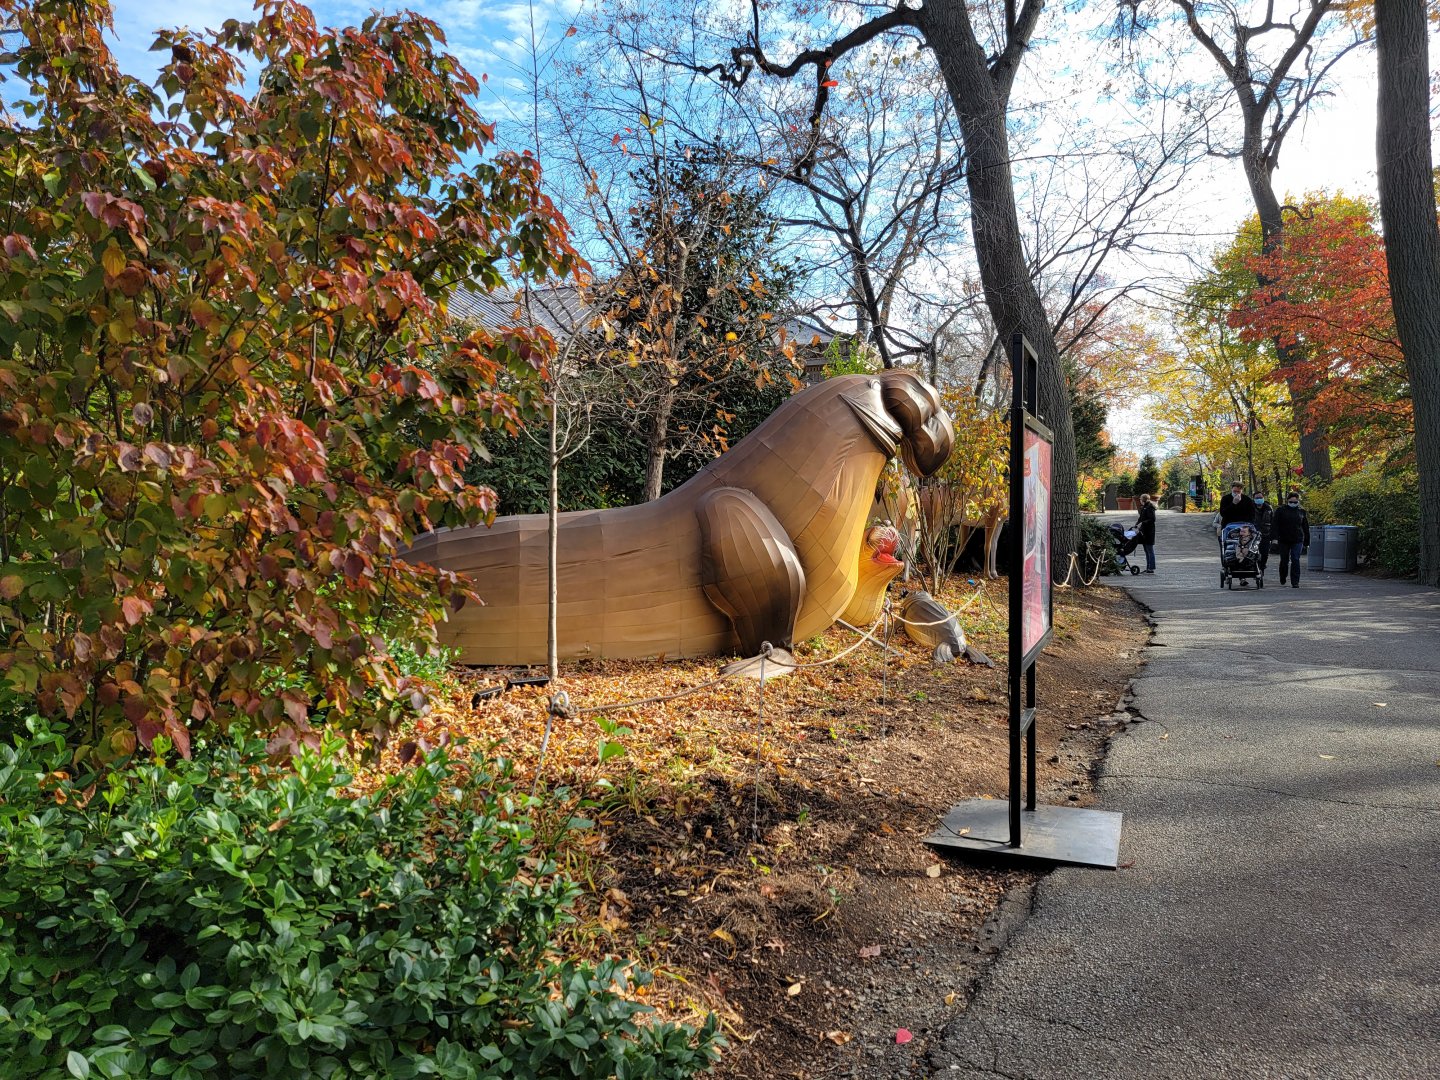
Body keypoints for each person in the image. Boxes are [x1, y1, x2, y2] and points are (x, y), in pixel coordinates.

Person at [1272, 489, 1311, 588]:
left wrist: (1307, 540)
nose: (1293, 503)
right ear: (1287, 501)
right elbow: (1275, 525)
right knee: (1284, 560)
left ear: (1298, 501)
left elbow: (1305, 526)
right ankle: (1283, 576)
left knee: (1295, 559)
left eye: (1295, 502)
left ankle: (1295, 581)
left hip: (1297, 539)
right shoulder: (1281, 510)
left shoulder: (1301, 511)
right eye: (1291, 502)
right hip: (1283, 538)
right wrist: (1274, 538)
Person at [1253, 490, 1275, 577]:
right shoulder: (1251, 508)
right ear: (1253, 499)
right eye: (1257, 498)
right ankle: (1257, 569)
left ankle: (1262, 567)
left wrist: (1274, 537)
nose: (1259, 499)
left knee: (1265, 553)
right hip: (1253, 535)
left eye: (1260, 497)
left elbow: (1273, 522)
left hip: (1266, 535)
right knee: (1255, 553)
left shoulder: (1268, 508)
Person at [1135, 493, 1157, 573]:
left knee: (1149, 550)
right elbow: (1141, 518)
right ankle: (1148, 567)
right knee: (1147, 550)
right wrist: (1136, 525)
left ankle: (1151, 567)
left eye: (1140, 499)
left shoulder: (1149, 507)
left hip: (1149, 532)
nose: (1140, 500)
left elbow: (1152, 519)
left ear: (1143, 499)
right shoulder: (1144, 507)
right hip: (1144, 532)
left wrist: (1142, 523)